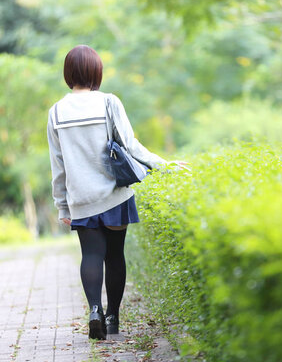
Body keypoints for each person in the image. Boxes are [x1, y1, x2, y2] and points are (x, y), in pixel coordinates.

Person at [47, 45, 188, 340]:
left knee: (91, 255)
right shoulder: (109, 102)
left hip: (81, 199)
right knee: (114, 256)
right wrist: (164, 166)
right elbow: (131, 145)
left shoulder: (56, 112)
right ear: (96, 71)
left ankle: (94, 310)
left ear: (68, 73)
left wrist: (63, 207)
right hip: (114, 194)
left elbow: (57, 164)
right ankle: (112, 319)